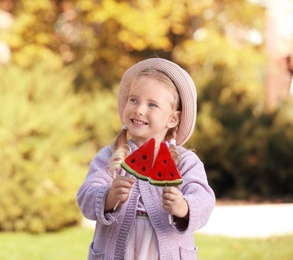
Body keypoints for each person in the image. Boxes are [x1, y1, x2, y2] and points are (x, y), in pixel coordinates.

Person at [77, 58, 215, 260]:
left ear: (173, 118)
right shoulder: (111, 156)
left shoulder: (186, 162)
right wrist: (108, 196)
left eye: (152, 104)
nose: (139, 109)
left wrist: (184, 207)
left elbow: (204, 200)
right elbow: (85, 197)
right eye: (134, 100)